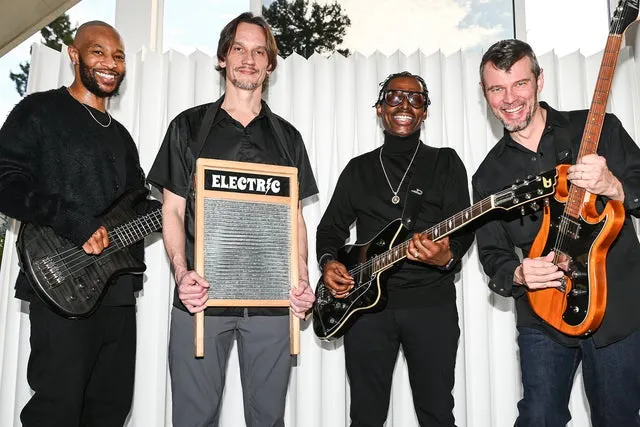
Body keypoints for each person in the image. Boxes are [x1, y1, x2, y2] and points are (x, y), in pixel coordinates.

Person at [147, 12, 318, 427]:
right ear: (223, 57)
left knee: (268, 419)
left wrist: (302, 278)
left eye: (259, 52)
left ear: (270, 65)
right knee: (194, 419)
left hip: (273, 305)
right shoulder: (188, 127)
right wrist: (181, 273)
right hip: (201, 299)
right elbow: (172, 209)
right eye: (239, 48)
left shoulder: (288, 138)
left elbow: (294, 217)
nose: (248, 59)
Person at [472, 39, 640, 426]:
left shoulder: (598, 128)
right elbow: (493, 254)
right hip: (543, 314)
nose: (509, 99)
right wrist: (518, 273)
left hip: (616, 309)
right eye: (497, 88)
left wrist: (615, 186)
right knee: (538, 417)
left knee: (617, 419)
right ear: (484, 93)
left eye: (520, 83)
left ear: (539, 80)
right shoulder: (487, 176)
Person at [0, 21, 157, 427]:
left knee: (110, 410)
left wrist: (181, 209)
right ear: (74, 54)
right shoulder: (39, 111)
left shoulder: (122, 137)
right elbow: (5, 182)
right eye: (98, 52)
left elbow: (138, 207)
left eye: (118, 56)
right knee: (58, 410)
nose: (110, 63)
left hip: (118, 292)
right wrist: (73, 222)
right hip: (60, 285)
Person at [316, 71, 474, 427]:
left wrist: (447, 256)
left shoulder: (445, 162)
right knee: (365, 416)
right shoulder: (358, 169)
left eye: (415, 99)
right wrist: (328, 263)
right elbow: (330, 229)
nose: (405, 105)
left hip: (431, 307)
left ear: (425, 112)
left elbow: (464, 229)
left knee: (437, 413)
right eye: (394, 97)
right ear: (379, 108)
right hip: (365, 309)